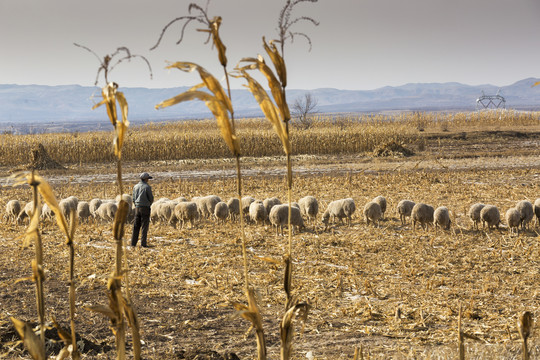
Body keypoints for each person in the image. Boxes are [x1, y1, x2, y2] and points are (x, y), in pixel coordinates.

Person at [131, 172, 154, 248]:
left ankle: (133, 243)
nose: (148, 180)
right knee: (144, 226)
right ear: (145, 179)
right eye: (148, 178)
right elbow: (151, 198)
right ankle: (143, 244)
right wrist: (148, 203)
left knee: (136, 226)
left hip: (137, 207)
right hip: (145, 208)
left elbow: (133, 198)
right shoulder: (147, 187)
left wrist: (136, 204)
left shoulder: (135, 186)